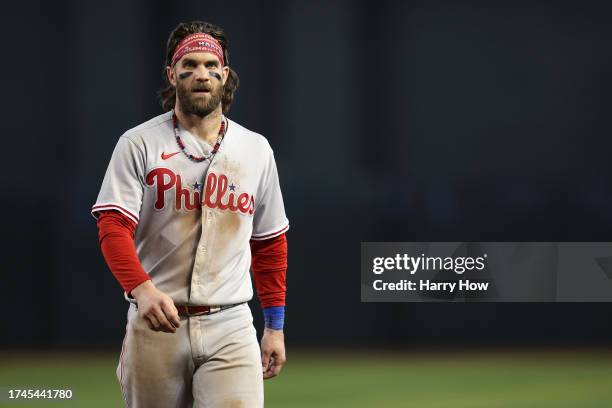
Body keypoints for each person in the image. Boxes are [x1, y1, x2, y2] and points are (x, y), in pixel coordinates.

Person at [92, 21, 289, 407]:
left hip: (230, 322)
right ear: (172, 74)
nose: (201, 74)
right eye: (190, 65)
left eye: (211, 65)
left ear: (224, 74)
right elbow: (112, 226)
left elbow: (269, 244)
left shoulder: (256, 149)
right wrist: (141, 288)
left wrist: (275, 326)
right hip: (156, 323)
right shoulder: (139, 143)